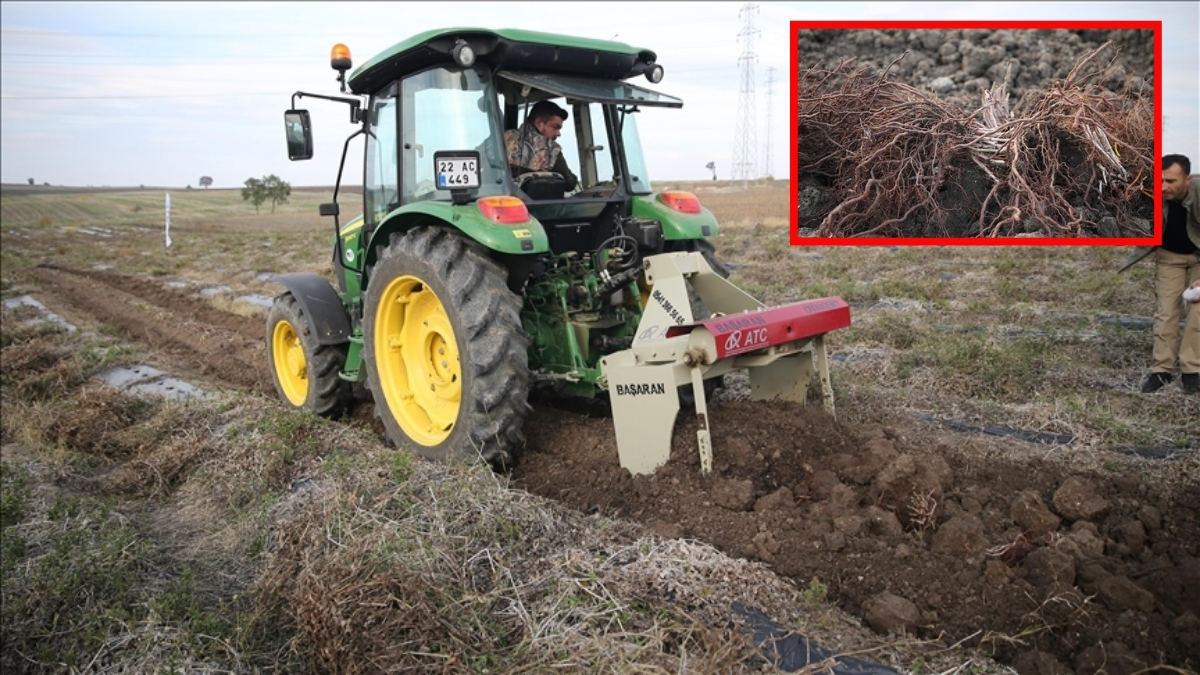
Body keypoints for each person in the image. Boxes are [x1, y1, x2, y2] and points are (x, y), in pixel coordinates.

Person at [1121, 154, 1200, 393]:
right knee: (1166, 312)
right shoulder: (1151, 193)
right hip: (1169, 257)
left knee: (1197, 312)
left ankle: (1191, 371)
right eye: (1160, 181)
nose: (1164, 187)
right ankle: (1161, 371)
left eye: (1171, 181)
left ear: (1187, 179)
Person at [504, 99, 579, 192]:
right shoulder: (550, 150)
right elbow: (569, 184)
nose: (558, 134)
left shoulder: (500, 138)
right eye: (555, 127)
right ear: (539, 123)